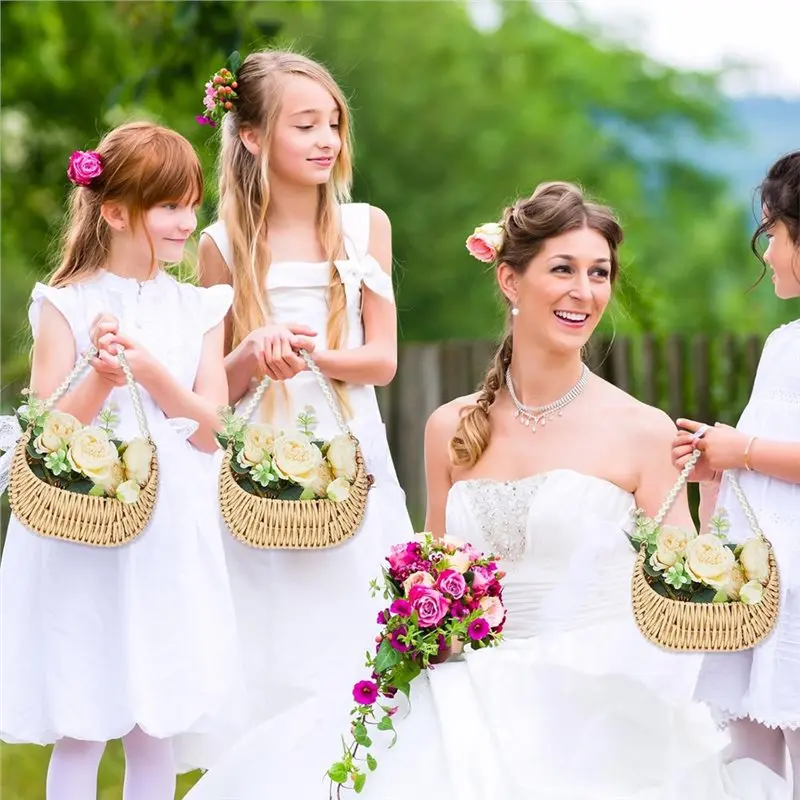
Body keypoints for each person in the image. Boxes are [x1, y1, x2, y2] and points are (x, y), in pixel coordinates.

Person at [186, 182, 788, 798]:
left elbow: (686, 597)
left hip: (602, 702)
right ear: (510, 280)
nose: (585, 292)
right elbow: (429, 566)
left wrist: (715, 501)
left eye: (599, 273)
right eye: (563, 269)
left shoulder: (643, 430)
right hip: (464, 690)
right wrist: (426, 625)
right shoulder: (449, 427)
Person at [0, 122, 241, 799]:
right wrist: (100, 377)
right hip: (83, 529)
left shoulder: (199, 308)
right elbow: (47, 433)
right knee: (81, 720)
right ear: (113, 212)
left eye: (191, 205)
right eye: (168, 207)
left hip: (167, 531)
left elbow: (213, 432)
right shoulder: (66, 303)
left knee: (153, 721)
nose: (186, 222)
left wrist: (153, 373)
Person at [195, 49, 413, 750]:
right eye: (306, 125)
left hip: (349, 459)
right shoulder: (220, 245)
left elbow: (381, 361)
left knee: (355, 630)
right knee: (273, 645)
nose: (327, 140)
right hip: (259, 474)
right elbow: (213, 391)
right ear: (253, 137)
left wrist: (309, 355)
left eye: (334, 124)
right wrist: (251, 355)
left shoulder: (365, 226)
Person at [674, 151, 800, 793]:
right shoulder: (783, 344)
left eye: (773, 234)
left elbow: (759, 450)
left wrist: (743, 449)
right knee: (750, 763)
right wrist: (718, 465)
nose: (767, 253)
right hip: (763, 591)